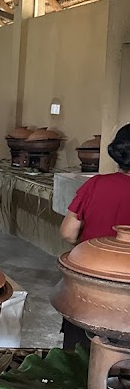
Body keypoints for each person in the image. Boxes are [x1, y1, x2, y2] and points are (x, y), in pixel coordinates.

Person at [59, 124, 130, 349]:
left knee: (79, 354)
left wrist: (92, 248)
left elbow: (68, 232)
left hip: (88, 289)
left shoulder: (96, 184)